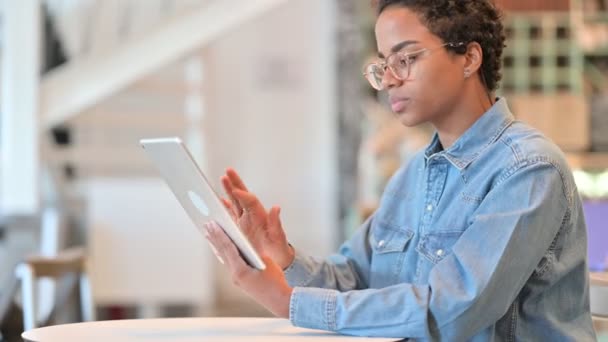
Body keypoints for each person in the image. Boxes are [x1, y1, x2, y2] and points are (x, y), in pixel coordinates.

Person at [204, 0, 597, 340]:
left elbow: (453, 310)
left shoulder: (528, 170)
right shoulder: (412, 177)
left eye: (406, 59)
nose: (389, 80)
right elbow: (356, 277)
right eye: (384, 64)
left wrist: (287, 300)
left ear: (469, 58)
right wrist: (284, 258)